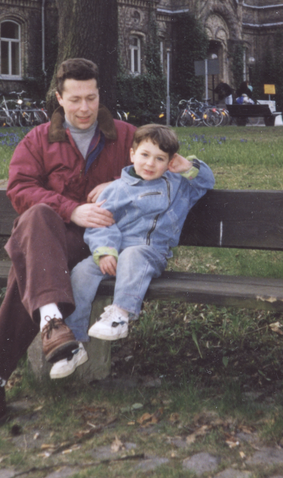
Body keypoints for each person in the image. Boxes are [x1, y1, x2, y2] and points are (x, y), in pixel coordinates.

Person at [0, 58, 137, 429]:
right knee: (38, 216)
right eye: (75, 99)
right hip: (52, 236)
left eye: (91, 98)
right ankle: (51, 321)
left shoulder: (127, 136)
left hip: (98, 244)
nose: (84, 108)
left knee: (27, 272)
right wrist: (72, 209)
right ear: (59, 98)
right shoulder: (38, 139)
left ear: (99, 95)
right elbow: (20, 190)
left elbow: (170, 163)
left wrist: (123, 182)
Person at [48, 124, 215, 380]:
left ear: (170, 162)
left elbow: (207, 181)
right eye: (145, 155)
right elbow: (101, 223)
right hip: (115, 253)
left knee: (134, 253)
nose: (150, 163)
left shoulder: (179, 185)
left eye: (160, 159)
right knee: (81, 271)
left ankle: (120, 315)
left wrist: (188, 166)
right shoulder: (115, 189)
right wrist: (105, 253)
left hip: (150, 253)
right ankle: (75, 343)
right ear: (132, 154)